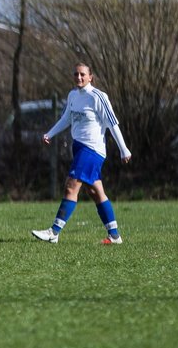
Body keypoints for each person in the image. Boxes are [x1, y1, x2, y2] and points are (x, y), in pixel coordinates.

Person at [32, 63, 132, 245]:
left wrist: (123, 149)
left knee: (71, 186)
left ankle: (53, 232)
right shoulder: (73, 96)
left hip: (92, 150)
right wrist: (50, 133)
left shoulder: (98, 97)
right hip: (79, 148)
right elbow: (66, 119)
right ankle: (115, 236)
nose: (79, 77)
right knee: (95, 191)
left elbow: (112, 124)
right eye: (76, 74)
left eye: (82, 74)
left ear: (90, 77)